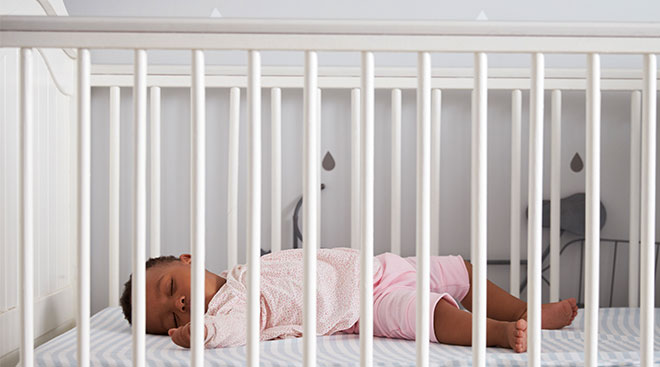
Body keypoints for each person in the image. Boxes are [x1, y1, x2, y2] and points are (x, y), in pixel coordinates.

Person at [119, 248, 577, 353]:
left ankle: (525, 311)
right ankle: (498, 332)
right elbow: (240, 331)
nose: (179, 303)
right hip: (362, 309)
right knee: (430, 311)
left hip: (378, 267)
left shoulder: (244, 271)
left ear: (188, 258)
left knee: (462, 270)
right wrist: (200, 332)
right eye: (168, 319)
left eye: (172, 287)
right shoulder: (229, 310)